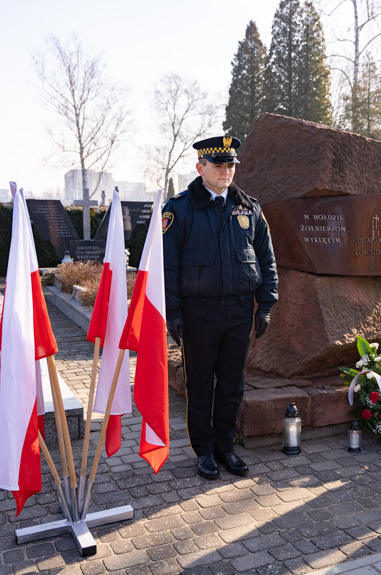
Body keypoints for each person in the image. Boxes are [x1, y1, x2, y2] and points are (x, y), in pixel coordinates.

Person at [161, 135, 278, 480]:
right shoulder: (179, 209)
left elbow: (266, 260)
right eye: (219, 165)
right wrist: (174, 314)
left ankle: (226, 447)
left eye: (231, 165)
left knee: (231, 383)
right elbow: (168, 267)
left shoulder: (249, 207)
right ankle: (205, 450)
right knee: (200, 384)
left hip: (240, 310)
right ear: (200, 168)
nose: (226, 171)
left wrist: (266, 305)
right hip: (199, 314)